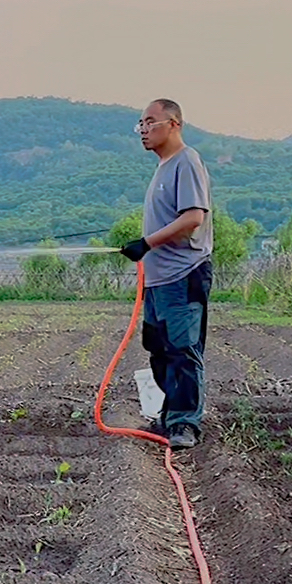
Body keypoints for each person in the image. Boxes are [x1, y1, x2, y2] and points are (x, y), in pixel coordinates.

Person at [118, 98, 213, 449]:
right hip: (158, 280)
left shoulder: (187, 162)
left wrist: (146, 243)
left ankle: (185, 423)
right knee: (158, 348)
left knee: (182, 348)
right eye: (140, 124)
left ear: (173, 124)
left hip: (182, 274)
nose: (143, 130)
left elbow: (193, 219)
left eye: (150, 122)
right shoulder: (163, 168)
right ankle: (170, 414)